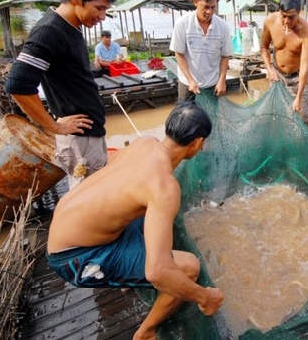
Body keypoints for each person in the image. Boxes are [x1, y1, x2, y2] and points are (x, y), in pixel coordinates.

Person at [46, 101, 224, 339]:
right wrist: (205, 297)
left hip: (64, 225)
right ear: (197, 143)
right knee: (188, 267)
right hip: (74, 257)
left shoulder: (145, 143)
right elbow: (158, 273)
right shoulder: (164, 186)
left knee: (149, 217)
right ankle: (146, 331)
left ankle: (126, 274)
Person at [5, 0, 116, 189]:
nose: (103, 16)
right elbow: (18, 84)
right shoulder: (50, 31)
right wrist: (53, 126)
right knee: (89, 200)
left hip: (88, 136)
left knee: (97, 195)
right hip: (79, 141)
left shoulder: (72, 27)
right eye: (99, 7)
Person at [170, 0, 233, 101]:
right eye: (206, 7)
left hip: (212, 84)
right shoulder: (183, 24)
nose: (209, 12)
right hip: (188, 84)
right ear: (195, 2)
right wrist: (190, 80)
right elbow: (179, 54)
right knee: (185, 117)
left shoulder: (222, 26)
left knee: (211, 119)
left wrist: (222, 80)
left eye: (213, 7)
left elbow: (225, 56)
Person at [260, 0, 308, 120]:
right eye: (283, 16)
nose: (287, 21)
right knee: (274, 114)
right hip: (277, 75)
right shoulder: (270, 21)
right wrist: (269, 69)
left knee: (300, 116)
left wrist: (299, 97)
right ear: (279, 11)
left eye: (292, 17)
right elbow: (263, 47)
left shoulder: (307, 33)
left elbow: (305, 66)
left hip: (297, 78)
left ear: (299, 12)